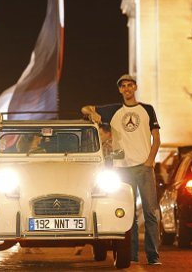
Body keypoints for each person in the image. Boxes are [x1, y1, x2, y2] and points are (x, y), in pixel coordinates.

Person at [81, 74, 162, 265]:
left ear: (135, 87)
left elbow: (156, 137)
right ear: (120, 90)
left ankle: (153, 256)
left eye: (130, 85)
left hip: (143, 167)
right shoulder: (113, 110)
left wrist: (150, 160)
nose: (126, 89)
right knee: (128, 215)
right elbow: (85, 108)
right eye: (123, 86)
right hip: (122, 168)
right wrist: (92, 114)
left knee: (151, 212)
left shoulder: (147, 109)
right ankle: (131, 255)